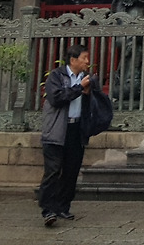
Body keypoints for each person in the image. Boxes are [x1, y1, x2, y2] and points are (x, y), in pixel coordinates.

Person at [38, 43, 99, 227]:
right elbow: (56, 98)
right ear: (73, 60)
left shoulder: (87, 78)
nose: (87, 62)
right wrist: (79, 88)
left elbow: (93, 103)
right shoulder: (56, 76)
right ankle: (48, 209)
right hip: (57, 129)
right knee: (53, 171)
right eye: (84, 58)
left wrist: (88, 93)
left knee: (71, 171)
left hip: (76, 129)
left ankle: (63, 206)